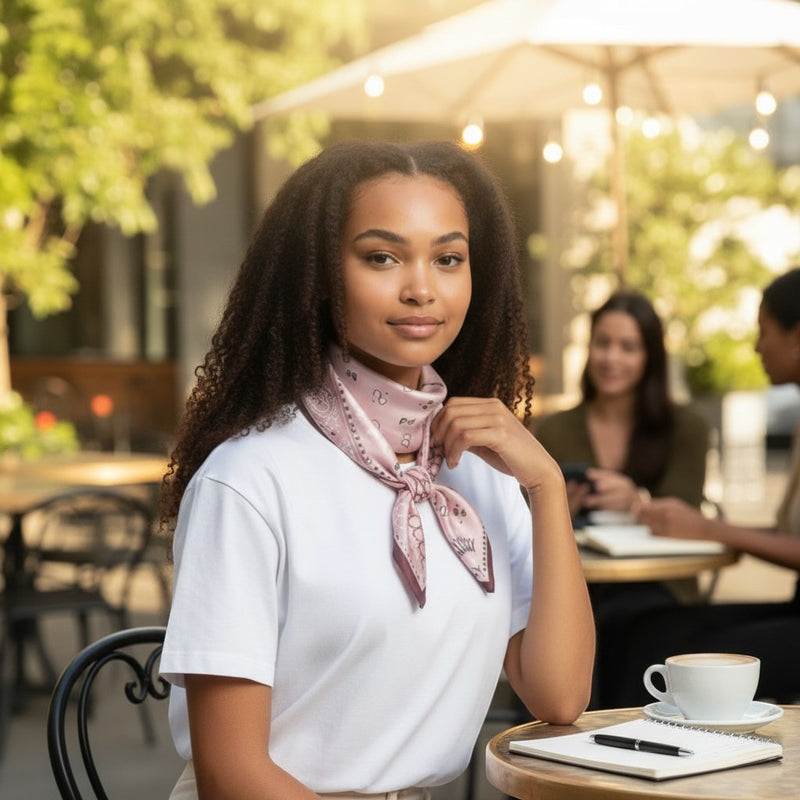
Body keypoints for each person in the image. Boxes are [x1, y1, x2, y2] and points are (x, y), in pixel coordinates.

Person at [158, 140, 595, 800]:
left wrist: (546, 486)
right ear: (319, 274)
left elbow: (559, 695)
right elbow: (231, 775)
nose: (421, 288)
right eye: (382, 257)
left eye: (448, 259)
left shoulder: (480, 472)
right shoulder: (249, 479)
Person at [603, 267, 800, 708]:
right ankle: (603, 752)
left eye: (763, 331)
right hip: (793, 612)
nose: (756, 346)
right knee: (644, 627)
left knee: (667, 657)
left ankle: (655, 761)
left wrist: (711, 530)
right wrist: (704, 527)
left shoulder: (684, 425)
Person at [535, 289, 710, 521]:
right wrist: (556, 510)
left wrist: (637, 502)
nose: (611, 358)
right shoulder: (553, 429)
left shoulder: (688, 425)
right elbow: (524, 517)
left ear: (650, 357)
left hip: (661, 558)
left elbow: (688, 517)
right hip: (579, 557)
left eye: (628, 348)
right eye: (602, 343)